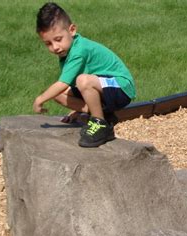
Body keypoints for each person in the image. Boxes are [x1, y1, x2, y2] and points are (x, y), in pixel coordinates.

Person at [33, 2, 136, 147]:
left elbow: (63, 83)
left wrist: (40, 99)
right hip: (103, 87)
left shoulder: (78, 51)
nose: (55, 47)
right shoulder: (67, 51)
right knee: (57, 94)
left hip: (121, 87)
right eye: (48, 43)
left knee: (82, 81)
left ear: (72, 30)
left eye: (58, 39)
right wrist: (76, 110)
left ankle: (100, 124)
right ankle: (101, 114)